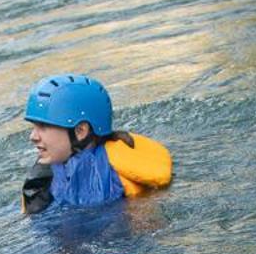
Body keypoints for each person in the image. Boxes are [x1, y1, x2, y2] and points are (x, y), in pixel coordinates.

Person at [20, 74, 174, 215]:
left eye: (43, 127)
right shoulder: (42, 178)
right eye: (34, 127)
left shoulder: (119, 171)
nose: (32, 136)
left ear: (81, 131)